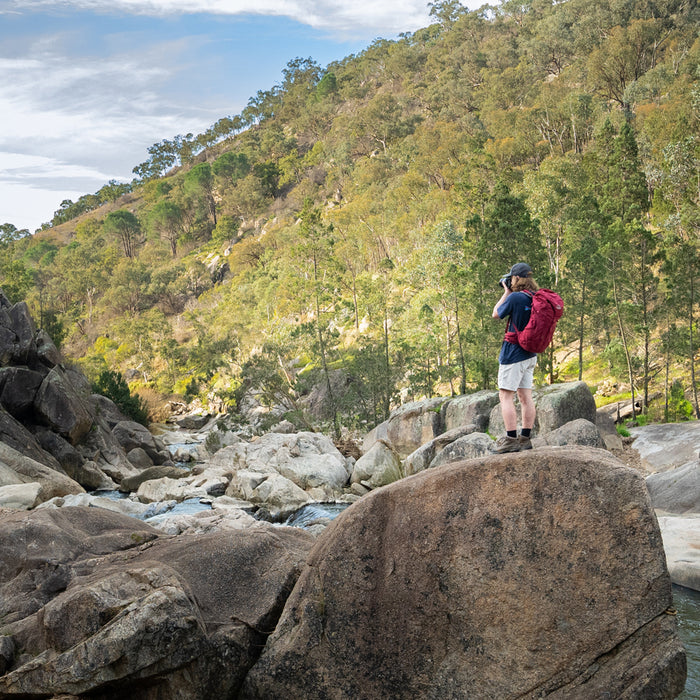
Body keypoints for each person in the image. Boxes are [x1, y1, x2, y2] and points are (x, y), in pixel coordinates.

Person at [491, 262, 539, 453]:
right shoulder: (535, 296)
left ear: (516, 278)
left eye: (511, 278)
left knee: (505, 396)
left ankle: (511, 439)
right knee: (525, 396)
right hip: (530, 354)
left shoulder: (515, 297)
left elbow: (496, 313)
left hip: (513, 354)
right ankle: (525, 438)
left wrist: (506, 291)